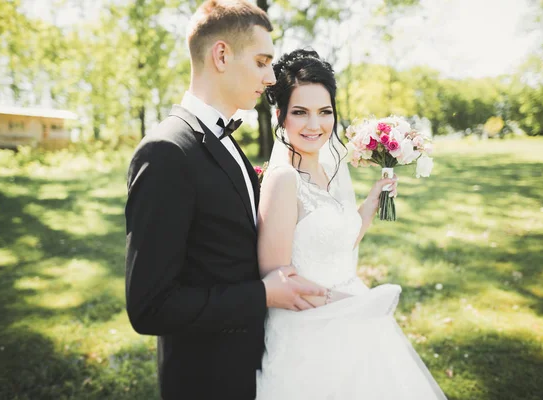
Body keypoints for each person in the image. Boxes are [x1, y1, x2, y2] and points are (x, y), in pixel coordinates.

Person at [124, 3, 325, 399]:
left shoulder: (224, 139)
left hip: (251, 365)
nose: (271, 78)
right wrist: (263, 294)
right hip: (206, 378)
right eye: (262, 61)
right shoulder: (167, 151)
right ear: (221, 55)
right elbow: (150, 306)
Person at [255, 49, 447, 399]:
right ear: (281, 115)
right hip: (309, 336)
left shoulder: (328, 168)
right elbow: (276, 282)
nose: (315, 125)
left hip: (353, 313)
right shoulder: (283, 179)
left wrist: (371, 203)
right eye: (300, 112)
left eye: (324, 112)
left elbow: (338, 244)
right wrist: (347, 303)